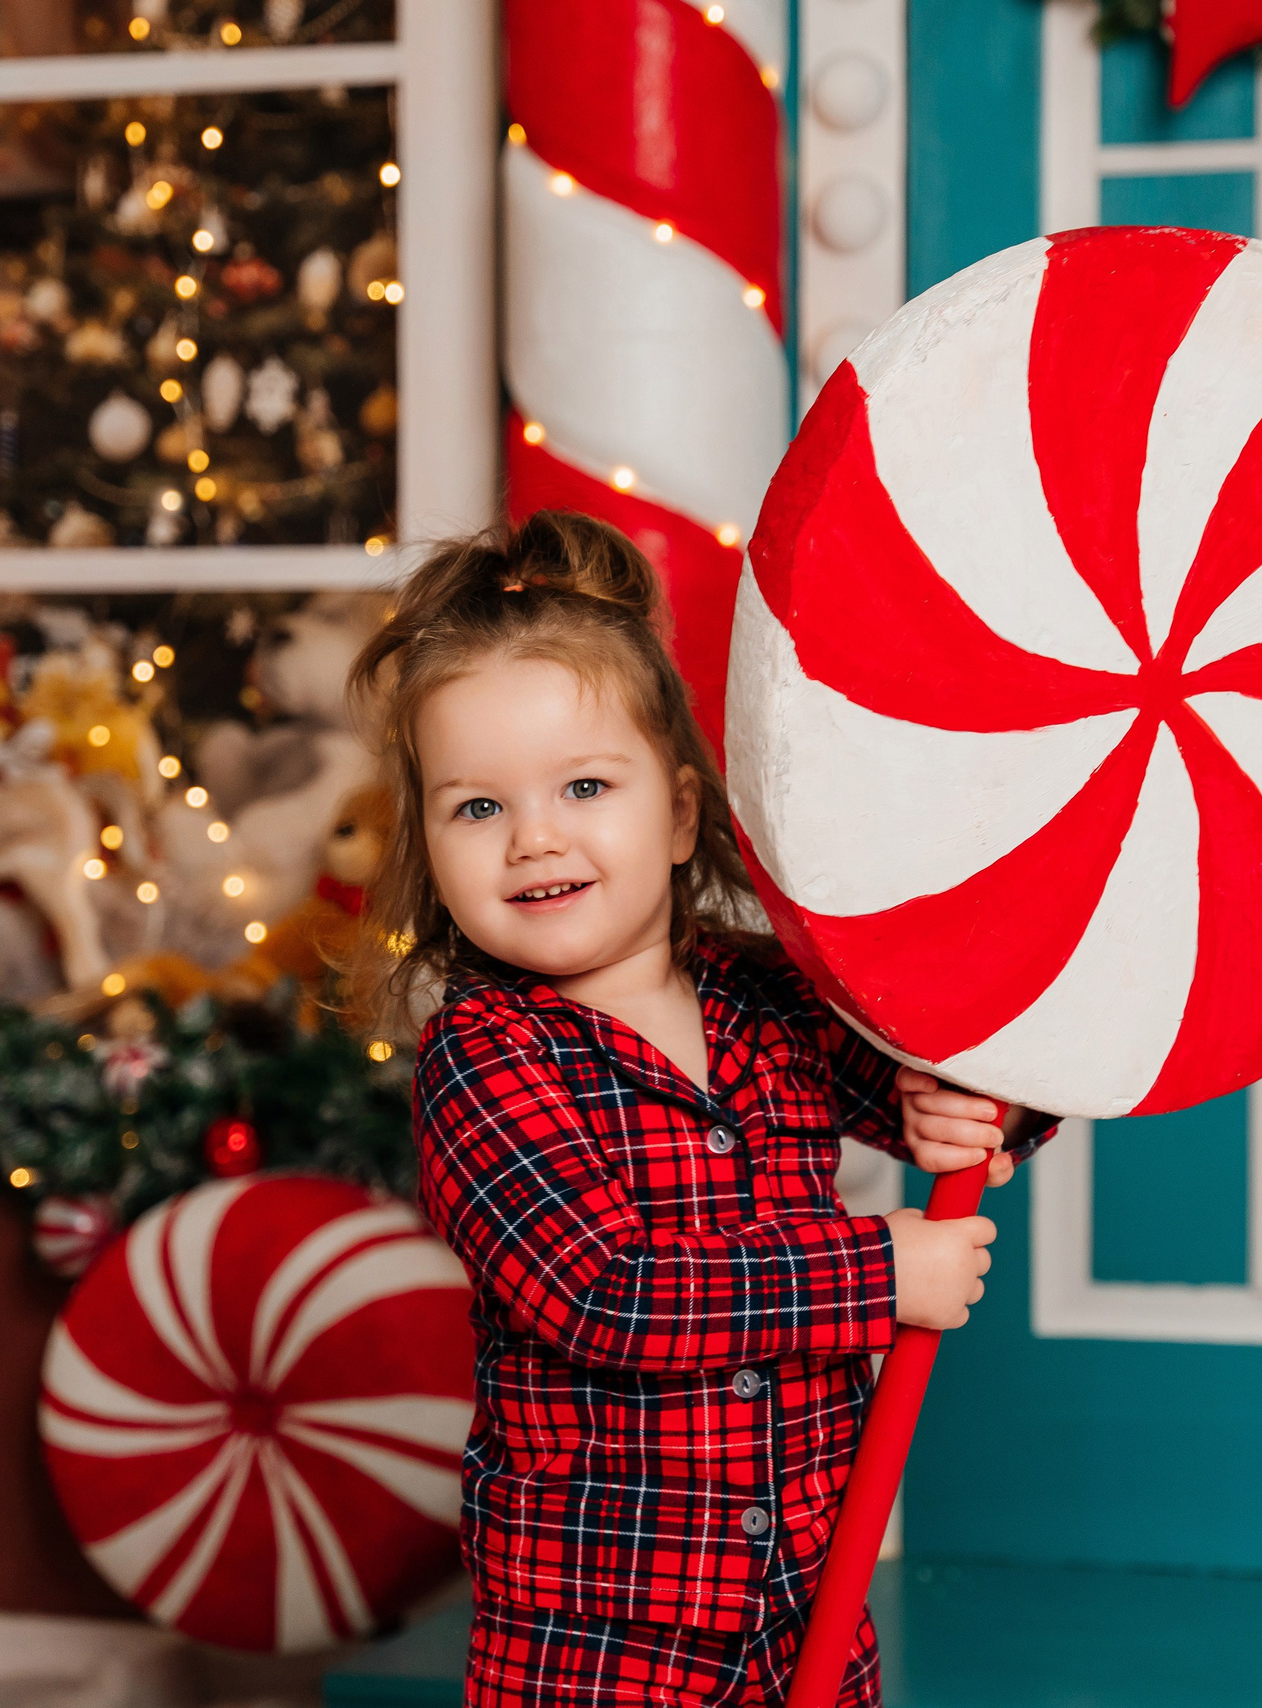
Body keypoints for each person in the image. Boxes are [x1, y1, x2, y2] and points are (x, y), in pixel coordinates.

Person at [348, 511, 1053, 1708]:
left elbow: (935, 1087)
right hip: (602, 1641)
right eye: (476, 808)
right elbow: (600, 1291)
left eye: (583, 785)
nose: (534, 838)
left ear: (678, 816)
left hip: (807, 1614)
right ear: (428, 838)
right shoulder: (482, 1057)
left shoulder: (761, 994)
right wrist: (879, 1275)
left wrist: (968, 1110)